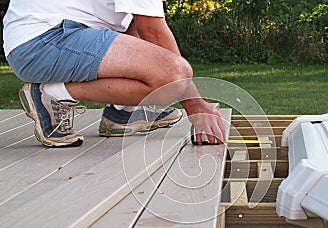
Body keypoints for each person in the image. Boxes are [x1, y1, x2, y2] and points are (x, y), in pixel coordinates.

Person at [3, 0, 226, 147]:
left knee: (135, 21)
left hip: (45, 36)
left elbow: (143, 25)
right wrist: (195, 106)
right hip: (41, 42)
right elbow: (154, 34)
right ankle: (52, 94)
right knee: (174, 76)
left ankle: (123, 113)